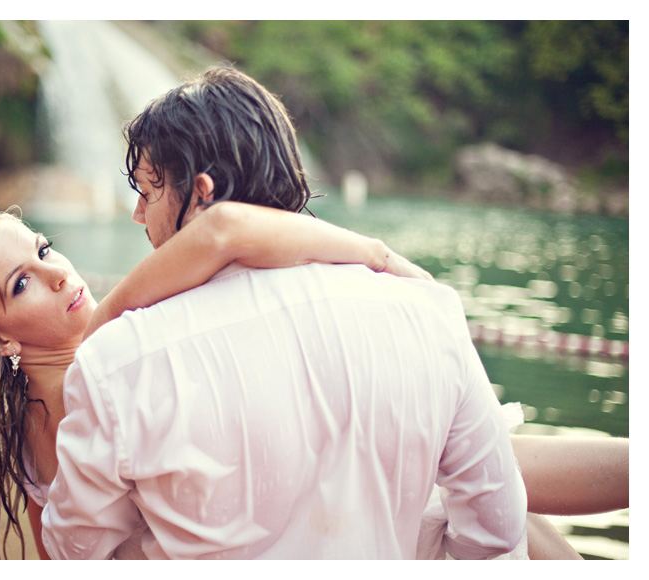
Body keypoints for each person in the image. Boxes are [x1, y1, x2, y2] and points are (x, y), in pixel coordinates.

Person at [37, 66, 525, 559]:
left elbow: (76, 551)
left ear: (202, 193)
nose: (139, 214)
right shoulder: (426, 312)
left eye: (147, 191)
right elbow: (497, 529)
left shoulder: (119, 362)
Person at [0, 202, 430, 559]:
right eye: (22, 283)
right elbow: (222, 229)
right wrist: (379, 257)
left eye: (44, 250)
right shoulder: (106, 361)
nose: (60, 275)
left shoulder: (26, 425)